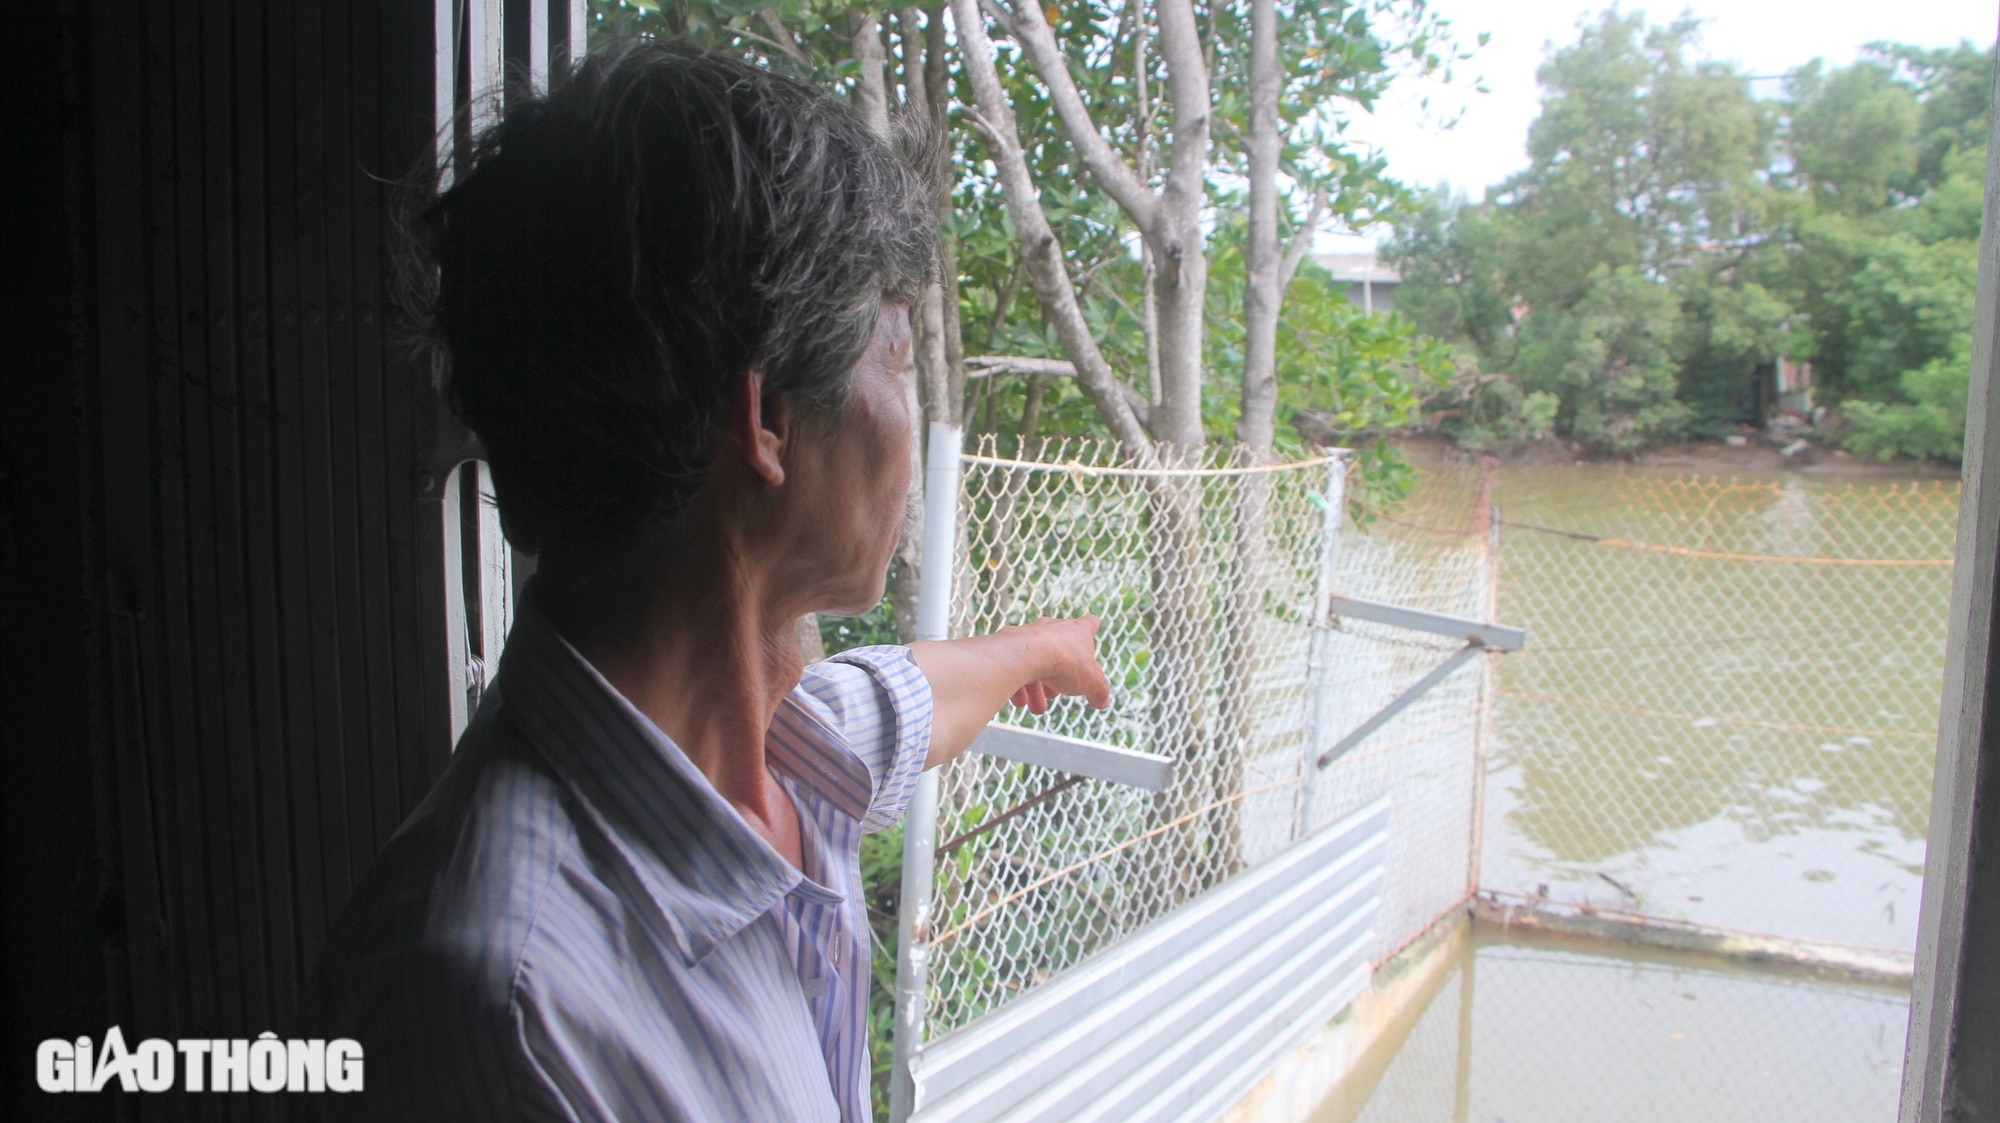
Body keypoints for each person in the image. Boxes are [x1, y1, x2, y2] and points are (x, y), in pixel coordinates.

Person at [289, 41, 1111, 1121]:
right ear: (765, 422)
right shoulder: (507, 1013)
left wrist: (1037, 651)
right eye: (898, 360)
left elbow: (902, 697)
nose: (912, 419)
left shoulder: (763, 746)